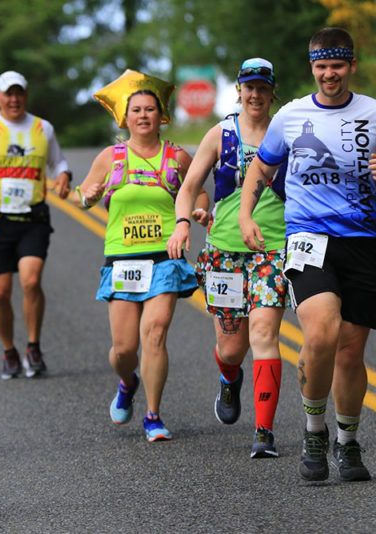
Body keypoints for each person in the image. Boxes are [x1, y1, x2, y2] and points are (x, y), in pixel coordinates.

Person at [239, 27, 376, 482]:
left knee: (352, 352)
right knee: (321, 334)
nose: (329, 74)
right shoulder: (292, 116)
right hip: (309, 237)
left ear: (351, 65)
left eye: (337, 65)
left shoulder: (373, 114)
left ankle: (348, 441)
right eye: (321, 66)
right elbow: (263, 163)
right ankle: (314, 431)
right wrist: (246, 214)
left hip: (363, 242)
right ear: (311, 68)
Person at [72, 70, 204, 441]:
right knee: (124, 349)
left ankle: (153, 414)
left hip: (164, 256)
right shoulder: (110, 157)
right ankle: (127, 382)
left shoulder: (177, 156)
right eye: (137, 110)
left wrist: (196, 213)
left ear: (161, 115)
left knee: (156, 333)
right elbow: (84, 197)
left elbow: (198, 192)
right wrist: (89, 195)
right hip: (122, 260)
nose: (144, 115)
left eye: (150, 109)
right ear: (125, 118)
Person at [167, 59, 288, 458]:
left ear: (273, 92)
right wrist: (183, 223)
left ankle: (265, 432)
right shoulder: (221, 134)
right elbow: (188, 187)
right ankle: (229, 377)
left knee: (265, 335)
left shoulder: (287, 132)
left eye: (262, 88)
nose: (255, 95)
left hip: (272, 248)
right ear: (238, 90)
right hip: (224, 253)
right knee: (233, 348)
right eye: (248, 87)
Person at [0, 70, 72, 379]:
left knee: (31, 281)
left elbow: (58, 162)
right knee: (0, 291)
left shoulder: (42, 128)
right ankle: (9, 350)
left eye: (19, 93)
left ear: (26, 96)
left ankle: (33, 346)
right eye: (8, 94)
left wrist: (63, 175)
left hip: (33, 217)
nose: (14, 99)